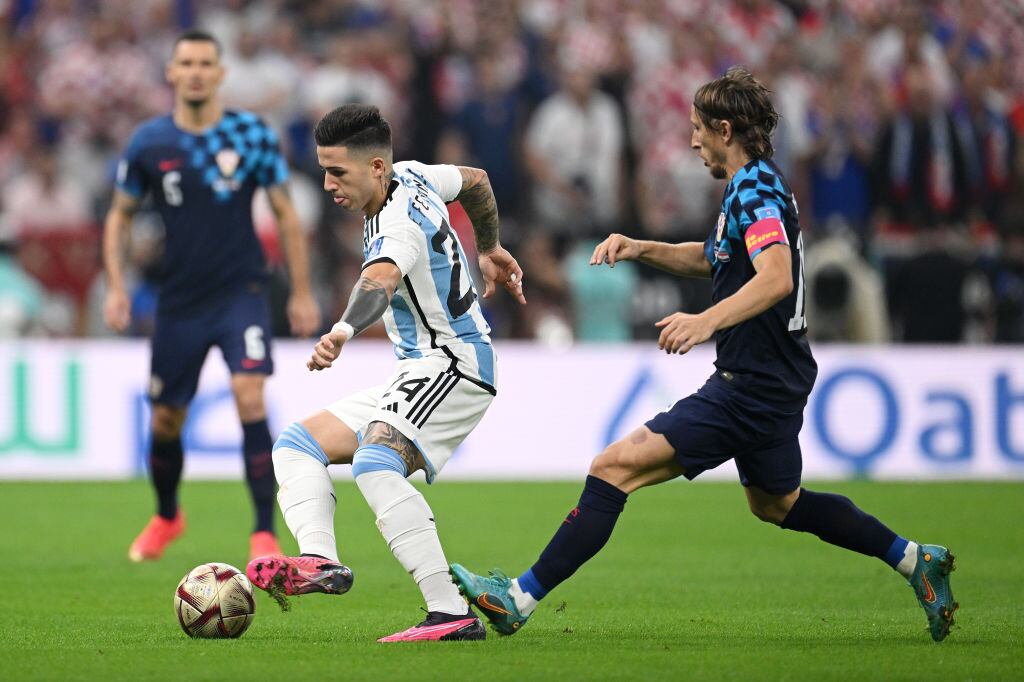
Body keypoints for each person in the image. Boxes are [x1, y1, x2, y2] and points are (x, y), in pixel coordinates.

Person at [451, 67, 958, 643]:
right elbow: (715, 256)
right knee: (777, 504)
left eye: (697, 129)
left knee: (612, 468)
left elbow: (775, 277)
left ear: (724, 128)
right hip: (773, 380)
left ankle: (516, 598)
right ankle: (918, 560)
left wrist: (703, 320)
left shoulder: (756, 190)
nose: (692, 141)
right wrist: (639, 246)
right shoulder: (754, 184)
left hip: (751, 386)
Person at [245, 104, 526, 643]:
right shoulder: (416, 173)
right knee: (298, 443)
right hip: (422, 367)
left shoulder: (396, 221)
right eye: (324, 171)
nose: (328, 184)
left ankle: (449, 614)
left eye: (338, 172)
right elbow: (477, 181)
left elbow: (380, 280)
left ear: (375, 167)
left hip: (455, 363)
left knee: (375, 463)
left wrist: (344, 331)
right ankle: (320, 562)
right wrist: (488, 246)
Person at [103, 30, 320, 563]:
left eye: (206, 63)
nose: (197, 71)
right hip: (178, 301)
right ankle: (167, 515)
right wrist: (115, 285)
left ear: (220, 74)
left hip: (241, 290)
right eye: (187, 63)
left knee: (250, 393)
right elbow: (119, 217)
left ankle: (263, 533)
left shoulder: (250, 135)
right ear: (172, 73)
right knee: (166, 420)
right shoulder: (149, 142)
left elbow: (288, 215)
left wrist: (301, 291)